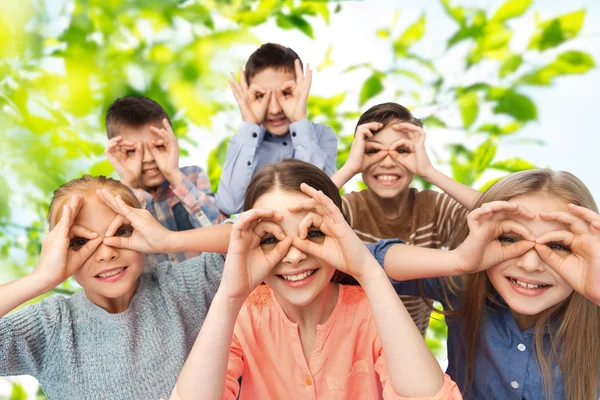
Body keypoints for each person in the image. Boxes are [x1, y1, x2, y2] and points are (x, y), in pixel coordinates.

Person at [171, 159, 462, 399]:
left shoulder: (371, 312)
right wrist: (229, 296)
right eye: (271, 238)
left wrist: (369, 272)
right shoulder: (244, 317)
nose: (294, 256)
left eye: (313, 233)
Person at [369, 169, 600, 399]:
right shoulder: (463, 284)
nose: (530, 264)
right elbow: (358, 262)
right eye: (509, 239)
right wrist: (457, 261)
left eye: (557, 246)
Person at [0, 176, 228, 399]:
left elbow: (255, 238)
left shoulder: (182, 287)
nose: (107, 253)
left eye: (120, 232)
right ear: (58, 249)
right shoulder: (52, 327)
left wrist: (170, 240)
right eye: (80, 242)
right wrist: (40, 278)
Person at [332, 102, 481, 336]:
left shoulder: (433, 208)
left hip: (410, 350)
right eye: (373, 151)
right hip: (350, 347)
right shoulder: (347, 210)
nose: (388, 161)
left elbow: (500, 213)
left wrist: (429, 172)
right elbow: (297, 215)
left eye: (401, 150)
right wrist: (349, 168)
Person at [215, 43, 338, 216]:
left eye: (286, 93)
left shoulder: (323, 135)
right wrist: (249, 123)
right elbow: (229, 206)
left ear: (302, 89)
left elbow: (316, 200)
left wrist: (298, 120)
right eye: (260, 96)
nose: (274, 109)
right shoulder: (244, 141)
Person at [105, 95, 225, 265]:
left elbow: (222, 233)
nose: (147, 158)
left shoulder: (192, 177)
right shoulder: (111, 198)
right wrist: (129, 185)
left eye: (159, 146)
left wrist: (174, 175)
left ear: (172, 143)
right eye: (132, 151)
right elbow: (116, 254)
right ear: (116, 153)